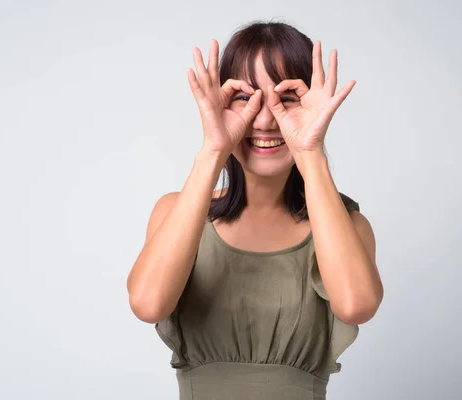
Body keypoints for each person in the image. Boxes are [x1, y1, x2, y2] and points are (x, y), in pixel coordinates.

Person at [127, 21, 384, 400]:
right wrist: (213, 150)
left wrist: (310, 151)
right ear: (221, 103)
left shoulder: (347, 226)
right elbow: (148, 304)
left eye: (288, 98)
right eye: (246, 98)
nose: (265, 119)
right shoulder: (175, 212)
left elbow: (356, 305)